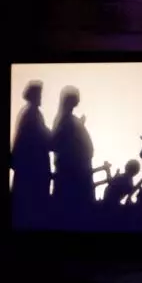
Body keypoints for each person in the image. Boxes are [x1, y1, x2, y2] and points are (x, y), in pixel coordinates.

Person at [50, 86, 95, 223]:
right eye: (75, 99)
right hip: (73, 172)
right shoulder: (64, 120)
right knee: (72, 211)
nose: (78, 102)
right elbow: (57, 142)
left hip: (81, 171)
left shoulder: (71, 119)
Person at [10, 81, 51, 225]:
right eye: (39, 94)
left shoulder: (28, 113)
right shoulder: (32, 114)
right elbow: (47, 139)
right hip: (33, 175)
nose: (41, 97)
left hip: (28, 173)